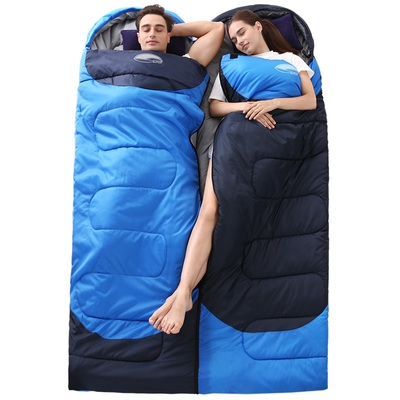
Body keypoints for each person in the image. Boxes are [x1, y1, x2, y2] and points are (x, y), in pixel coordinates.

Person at [149, 9, 317, 334]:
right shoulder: (231, 65)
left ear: (258, 27)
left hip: (282, 141)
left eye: (242, 33)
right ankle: (182, 293)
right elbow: (215, 107)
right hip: (237, 136)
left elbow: (310, 102)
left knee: (248, 221)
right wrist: (247, 108)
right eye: (234, 38)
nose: (239, 41)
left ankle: (186, 294)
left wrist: (272, 103)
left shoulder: (291, 59)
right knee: (209, 211)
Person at [135, 4, 225, 67]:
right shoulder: (125, 60)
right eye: (146, 30)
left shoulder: (183, 64)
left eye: (159, 30)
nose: (152, 34)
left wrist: (169, 29)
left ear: (168, 37)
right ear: (139, 37)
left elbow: (216, 28)